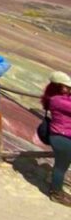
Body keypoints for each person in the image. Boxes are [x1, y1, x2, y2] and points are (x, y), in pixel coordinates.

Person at [41, 71, 71, 206]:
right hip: (62, 137)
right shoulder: (57, 100)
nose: (68, 88)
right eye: (66, 86)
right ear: (58, 86)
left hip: (63, 136)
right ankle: (56, 193)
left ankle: (57, 187)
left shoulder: (62, 98)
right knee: (61, 166)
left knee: (63, 165)